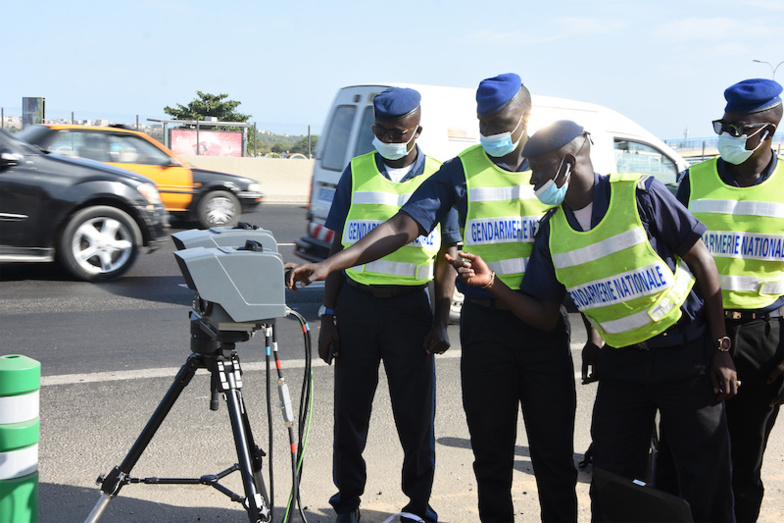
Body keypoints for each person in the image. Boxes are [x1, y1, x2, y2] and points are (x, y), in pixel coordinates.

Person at [288, 74, 578, 523]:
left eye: (500, 124)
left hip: (543, 329)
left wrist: (596, 331)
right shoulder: (460, 171)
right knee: (492, 460)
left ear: (526, 118)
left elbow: (593, 248)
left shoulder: (554, 169)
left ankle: (420, 504)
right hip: (487, 329)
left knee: (555, 459)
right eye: (483, 124)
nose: (490, 135)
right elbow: (403, 227)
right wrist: (329, 268)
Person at [445, 119, 738, 522]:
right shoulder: (552, 232)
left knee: (705, 480)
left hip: (685, 356)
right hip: (622, 369)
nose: (532, 181)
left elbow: (703, 261)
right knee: (612, 481)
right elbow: (548, 317)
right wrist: (492, 283)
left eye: (538, 169)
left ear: (568, 163)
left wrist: (721, 348)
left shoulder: (641, 195)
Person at [308, 87, 459, 523]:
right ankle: (348, 503)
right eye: (382, 130)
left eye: (399, 131)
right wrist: (329, 316)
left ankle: (417, 506)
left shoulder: (439, 175)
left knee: (415, 417)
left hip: (410, 312)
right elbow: (338, 250)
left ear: (418, 130)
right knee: (351, 415)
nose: (390, 138)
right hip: (357, 307)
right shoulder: (356, 172)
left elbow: (448, 255)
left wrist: (440, 322)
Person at [661, 78, 784, 522]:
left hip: (763, 339)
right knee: (676, 458)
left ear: (767, 131)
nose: (725, 136)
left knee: (743, 464)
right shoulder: (692, 180)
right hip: (694, 334)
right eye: (723, 125)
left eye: (737, 128)